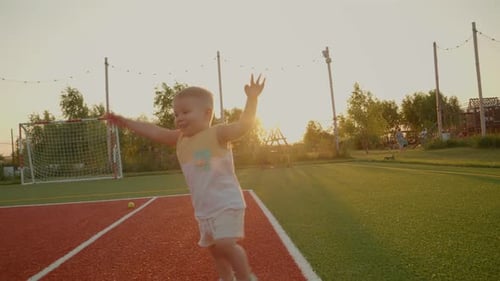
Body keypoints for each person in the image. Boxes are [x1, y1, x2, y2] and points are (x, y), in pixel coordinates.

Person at [105, 74, 265, 281]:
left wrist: (252, 99)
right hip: (204, 210)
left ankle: (246, 277)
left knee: (226, 244)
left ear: (207, 113)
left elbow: (244, 126)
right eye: (176, 113)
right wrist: (126, 122)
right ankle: (227, 278)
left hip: (227, 204)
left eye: (186, 112)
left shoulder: (218, 133)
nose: (179, 117)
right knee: (216, 251)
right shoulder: (180, 139)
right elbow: (154, 131)